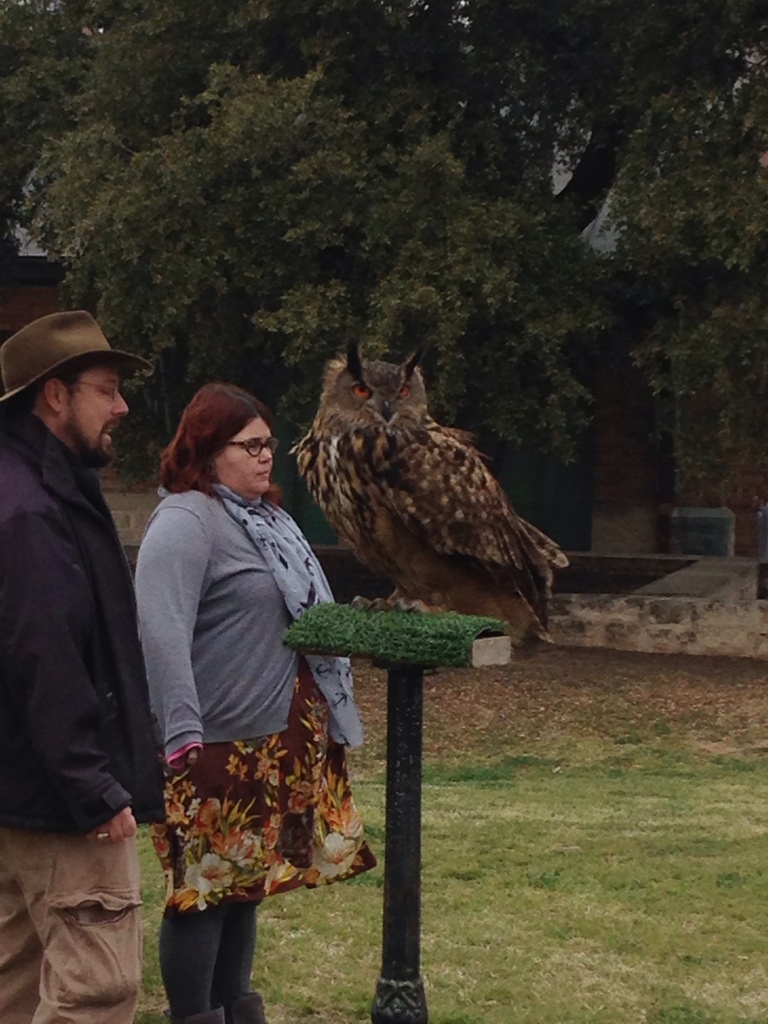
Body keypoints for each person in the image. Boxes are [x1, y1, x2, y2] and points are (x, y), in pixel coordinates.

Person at [134, 382, 377, 1024]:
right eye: (250, 446)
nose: (266, 457)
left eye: (269, 444)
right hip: (210, 745)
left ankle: (236, 1010)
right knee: (202, 894)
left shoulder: (269, 521)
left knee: (245, 891)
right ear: (207, 450)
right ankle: (195, 1015)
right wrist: (181, 733)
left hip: (273, 740)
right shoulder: (186, 521)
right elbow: (160, 632)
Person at [0, 310, 165, 1024]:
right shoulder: (32, 506)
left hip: (21, 797)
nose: (122, 407)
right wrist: (91, 783)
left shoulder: (30, 485)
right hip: (65, 807)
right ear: (55, 395)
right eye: (106, 389)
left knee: (14, 984)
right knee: (94, 994)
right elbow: (43, 650)